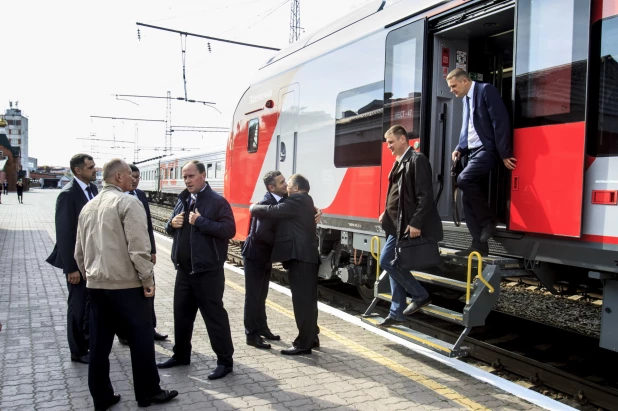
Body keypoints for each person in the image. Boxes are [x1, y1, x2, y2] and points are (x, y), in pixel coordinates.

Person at [74, 159, 178, 410]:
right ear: (118, 177)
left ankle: (102, 397)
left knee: (99, 346)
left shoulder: (88, 207)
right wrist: (147, 279)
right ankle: (148, 393)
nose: (133, 179)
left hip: (97, 287)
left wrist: (91, 277)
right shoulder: (127, 202)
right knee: (141, 341)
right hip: (127, 287)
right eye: (129, 176)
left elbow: (78, 252)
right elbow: (139, 248)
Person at [157, 160, 236, 380]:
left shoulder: (217, 202)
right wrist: (170, 224)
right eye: (184, 177)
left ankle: (225, 362)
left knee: (214, 317)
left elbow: (229, 230)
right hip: (184, 271)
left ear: (203, 175)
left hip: (208, 272)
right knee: (181, 316)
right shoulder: (182, 200)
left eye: (191, 176)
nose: (187, 180)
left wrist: (201, 221)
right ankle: (181, 355)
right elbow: (171, 228)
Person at [377, 125, 443, 326]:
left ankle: (420, 295)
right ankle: (396, 312)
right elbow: (396, 194)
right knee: (397, 263)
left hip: (406, 225)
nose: (388, 146)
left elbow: (425, 196)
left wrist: (416, 223)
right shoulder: (398, 162)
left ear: (403, 139)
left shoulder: (417, 160)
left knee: (387, 261)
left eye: (391, 142)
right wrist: (386, 212)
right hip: (394, 224)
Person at [447, 68, 516, 256]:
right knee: (465, 197)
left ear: (464, 81)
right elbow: (467, 128)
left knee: (463, 180)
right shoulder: (466, 100)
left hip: (488, 149)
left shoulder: (486, 90)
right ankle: (478, 245)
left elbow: (499, 121)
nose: (452, 90)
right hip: (473, 151)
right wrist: (460, 148)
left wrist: (504, 153)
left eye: (453, 86)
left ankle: (488, 220)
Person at [250, 174, 320, 355]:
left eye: (288, 184)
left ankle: (303, 344)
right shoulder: (305, 200)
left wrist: (253, 207)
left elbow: (272, 211)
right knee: (309, 301)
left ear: (295, 188)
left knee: (302, 302)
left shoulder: (295, 200)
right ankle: (312, 337)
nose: (286, 187)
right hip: (308, 257)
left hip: (300, 258)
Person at [46, 154, 98, 364]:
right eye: (91, 167)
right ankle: (77, 351)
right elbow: (65, 234)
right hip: (77, 263)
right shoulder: (67, 195)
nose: (95, 170)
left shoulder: (93, 190)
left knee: (88, 305)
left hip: (91, 260)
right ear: (78, 171)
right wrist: (71, 269)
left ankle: (88, 342)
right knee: (77, 306)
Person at [116, 164, 167, 344]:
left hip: (143, 253)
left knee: (148, 291)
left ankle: (149, 328)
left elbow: (148, 226)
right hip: (125, 254)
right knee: (127, 295)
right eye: (132, 176)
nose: (136, 180)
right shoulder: (118, 198)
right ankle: (124, 334)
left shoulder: (141, 195)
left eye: (138, 177)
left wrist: (152, 249)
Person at [241, 171, 287, 350]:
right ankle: (251, 335)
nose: (285, 184)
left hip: (265, 256)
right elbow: (261, 234)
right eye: (281, 182)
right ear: (271, 187)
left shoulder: (280, 200)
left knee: (262, 295)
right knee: (253, 297)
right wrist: (281, 244)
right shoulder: (266, 203)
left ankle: (262, 328)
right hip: (255, 255)